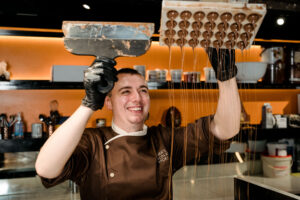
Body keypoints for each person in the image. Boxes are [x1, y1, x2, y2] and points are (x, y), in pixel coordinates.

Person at [35, 48, 241, 200]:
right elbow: (45, 168)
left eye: (143, 90)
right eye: (126, 92)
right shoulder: (93, 142)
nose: (137, 98)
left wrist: (227, 78)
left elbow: (225, 129)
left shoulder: (165, 139)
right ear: (107, 102)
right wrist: (88, 104)